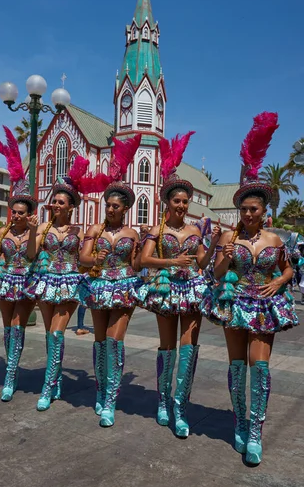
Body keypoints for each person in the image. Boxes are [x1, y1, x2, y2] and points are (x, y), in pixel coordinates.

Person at [202, 112, 299, 465]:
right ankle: (239, 422)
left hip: (263, 303)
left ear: (263, 209)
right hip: (233, 301)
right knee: (237, 366)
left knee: (260, 367)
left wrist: (279, 281)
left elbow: (288, 269)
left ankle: (255, 432)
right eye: (243, 209)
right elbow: (216, 273)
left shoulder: (276, 238)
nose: (247, 214)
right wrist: (225, 256)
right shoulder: (229, 236)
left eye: (253, 209)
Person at [138, 132, 221, 436]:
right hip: (165, 291)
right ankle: (162, 401)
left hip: (192, 291)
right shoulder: (157, 231)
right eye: (177, 201)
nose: (182, 206)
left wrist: (214, 247)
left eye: (186, 201)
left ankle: (180, 406)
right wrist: (173, 262)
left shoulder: (196, 230)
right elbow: (144, 261)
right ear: (168, 203)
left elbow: (200, 262)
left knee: (189, 348)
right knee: (167, 348)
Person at [79, 134, 142, 427]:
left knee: (115, 342)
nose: (111, 209)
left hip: (125, 287)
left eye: (116, 206)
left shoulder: (133, 235)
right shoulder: (94, 229)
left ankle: (111, 401)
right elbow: (83, 259)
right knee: (100, 340)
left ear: (125, 209)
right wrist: (97, 261)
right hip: (99, 286)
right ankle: (101, 390)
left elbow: (136, 264)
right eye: (109, 205)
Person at [24, 156, 90, 411]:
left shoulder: (79, 232)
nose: (55, 205)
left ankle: (48, 386)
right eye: (54, 201)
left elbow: (83, 259)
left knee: (56, 332)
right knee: (49, 334)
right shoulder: (41, 227)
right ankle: (57, 377)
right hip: (45, 281)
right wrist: (31, 232)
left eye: (61, 202)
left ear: (71, 207)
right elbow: (31, 255)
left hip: (70, 283)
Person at [0, 126, 38, 401]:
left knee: (18, 324)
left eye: (21, 213)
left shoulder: (34, 232)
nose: (16, 216)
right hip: (6, 281)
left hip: (26, 281)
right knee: (7, 326)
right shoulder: (2, 232)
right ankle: (12, 369)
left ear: (29, 214)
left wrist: (31, 231)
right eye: (13, 212)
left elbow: (31, 256)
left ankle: (10, 374)